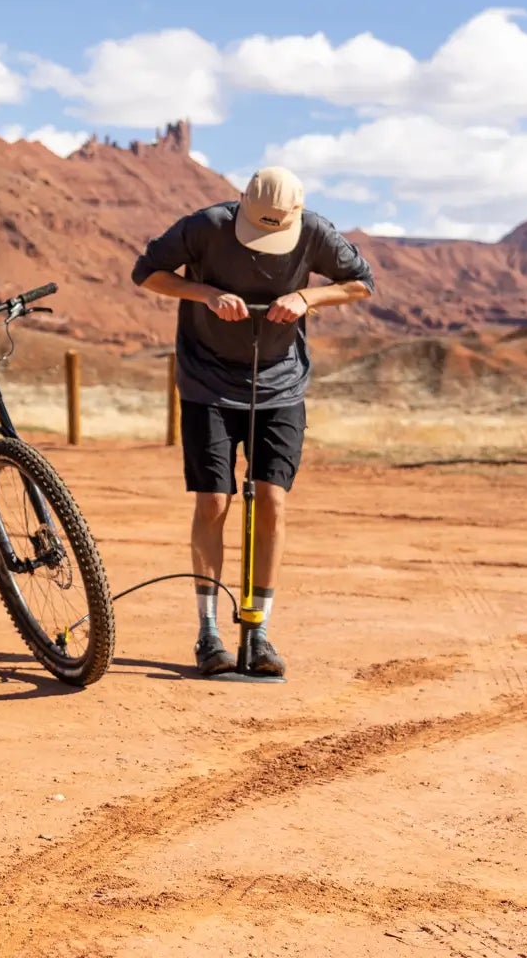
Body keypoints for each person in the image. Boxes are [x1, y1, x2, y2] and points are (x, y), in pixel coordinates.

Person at [131, 167, 374, 678]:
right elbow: (147, 274)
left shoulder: (316, 233)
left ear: (298, 215)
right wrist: (205, 294)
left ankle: (258, 630)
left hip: (281, 383)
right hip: (207, 384)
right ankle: (209, 633)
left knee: (272, 500)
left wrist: (308, 297)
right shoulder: (205, 226)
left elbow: (360, 286)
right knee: (214, 501)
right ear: (240, 203)